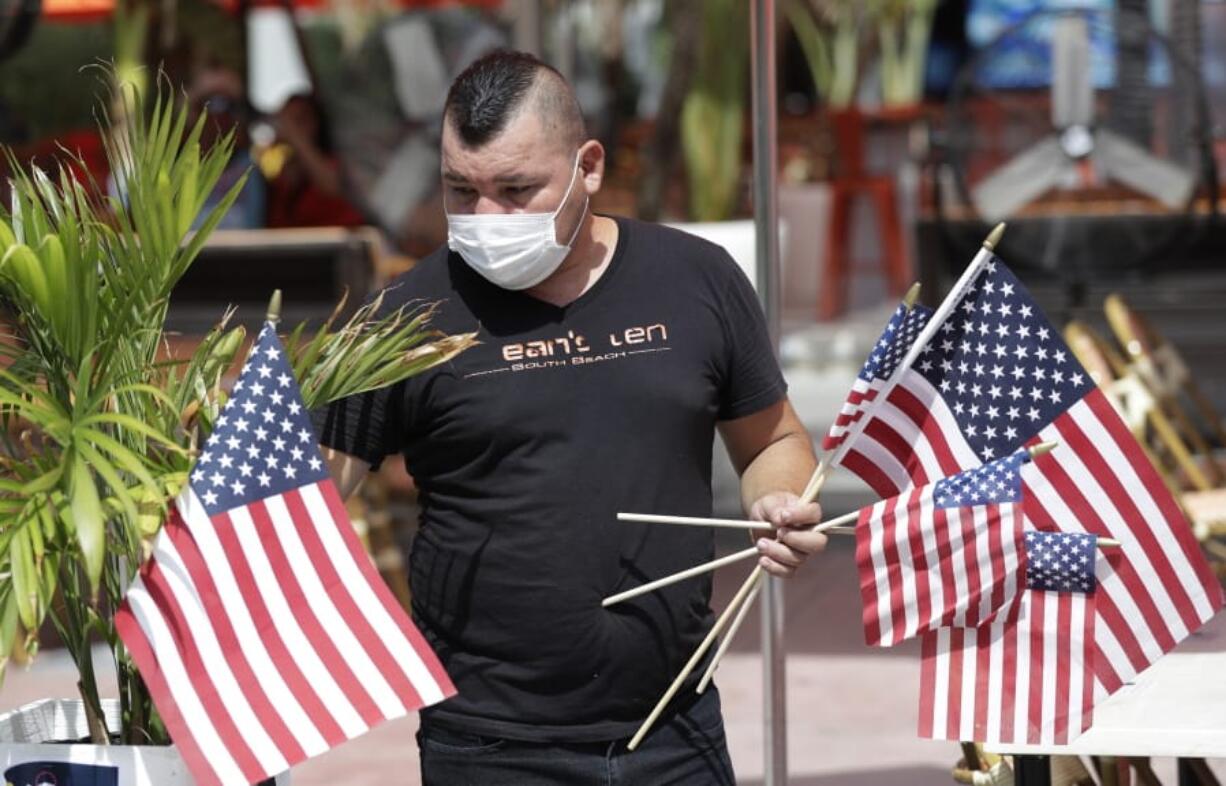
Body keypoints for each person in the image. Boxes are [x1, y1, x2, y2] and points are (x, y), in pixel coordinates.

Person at [315, 49, 827, 785]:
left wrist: (780, 501)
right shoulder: (405, 317)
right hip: (490, 748)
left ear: (588, 166)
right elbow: (302, 503)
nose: (486, 218)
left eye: (516, 190)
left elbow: (772, 438)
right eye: (462, 190)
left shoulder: (696, 277)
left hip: (675, 732)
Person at [266, 92, 365, 228]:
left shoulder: (336, 164)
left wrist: (295, 137)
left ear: (316, 122)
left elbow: (332, 187)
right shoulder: (282, 176)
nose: (292, 128)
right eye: (288, 121)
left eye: (300, 120)